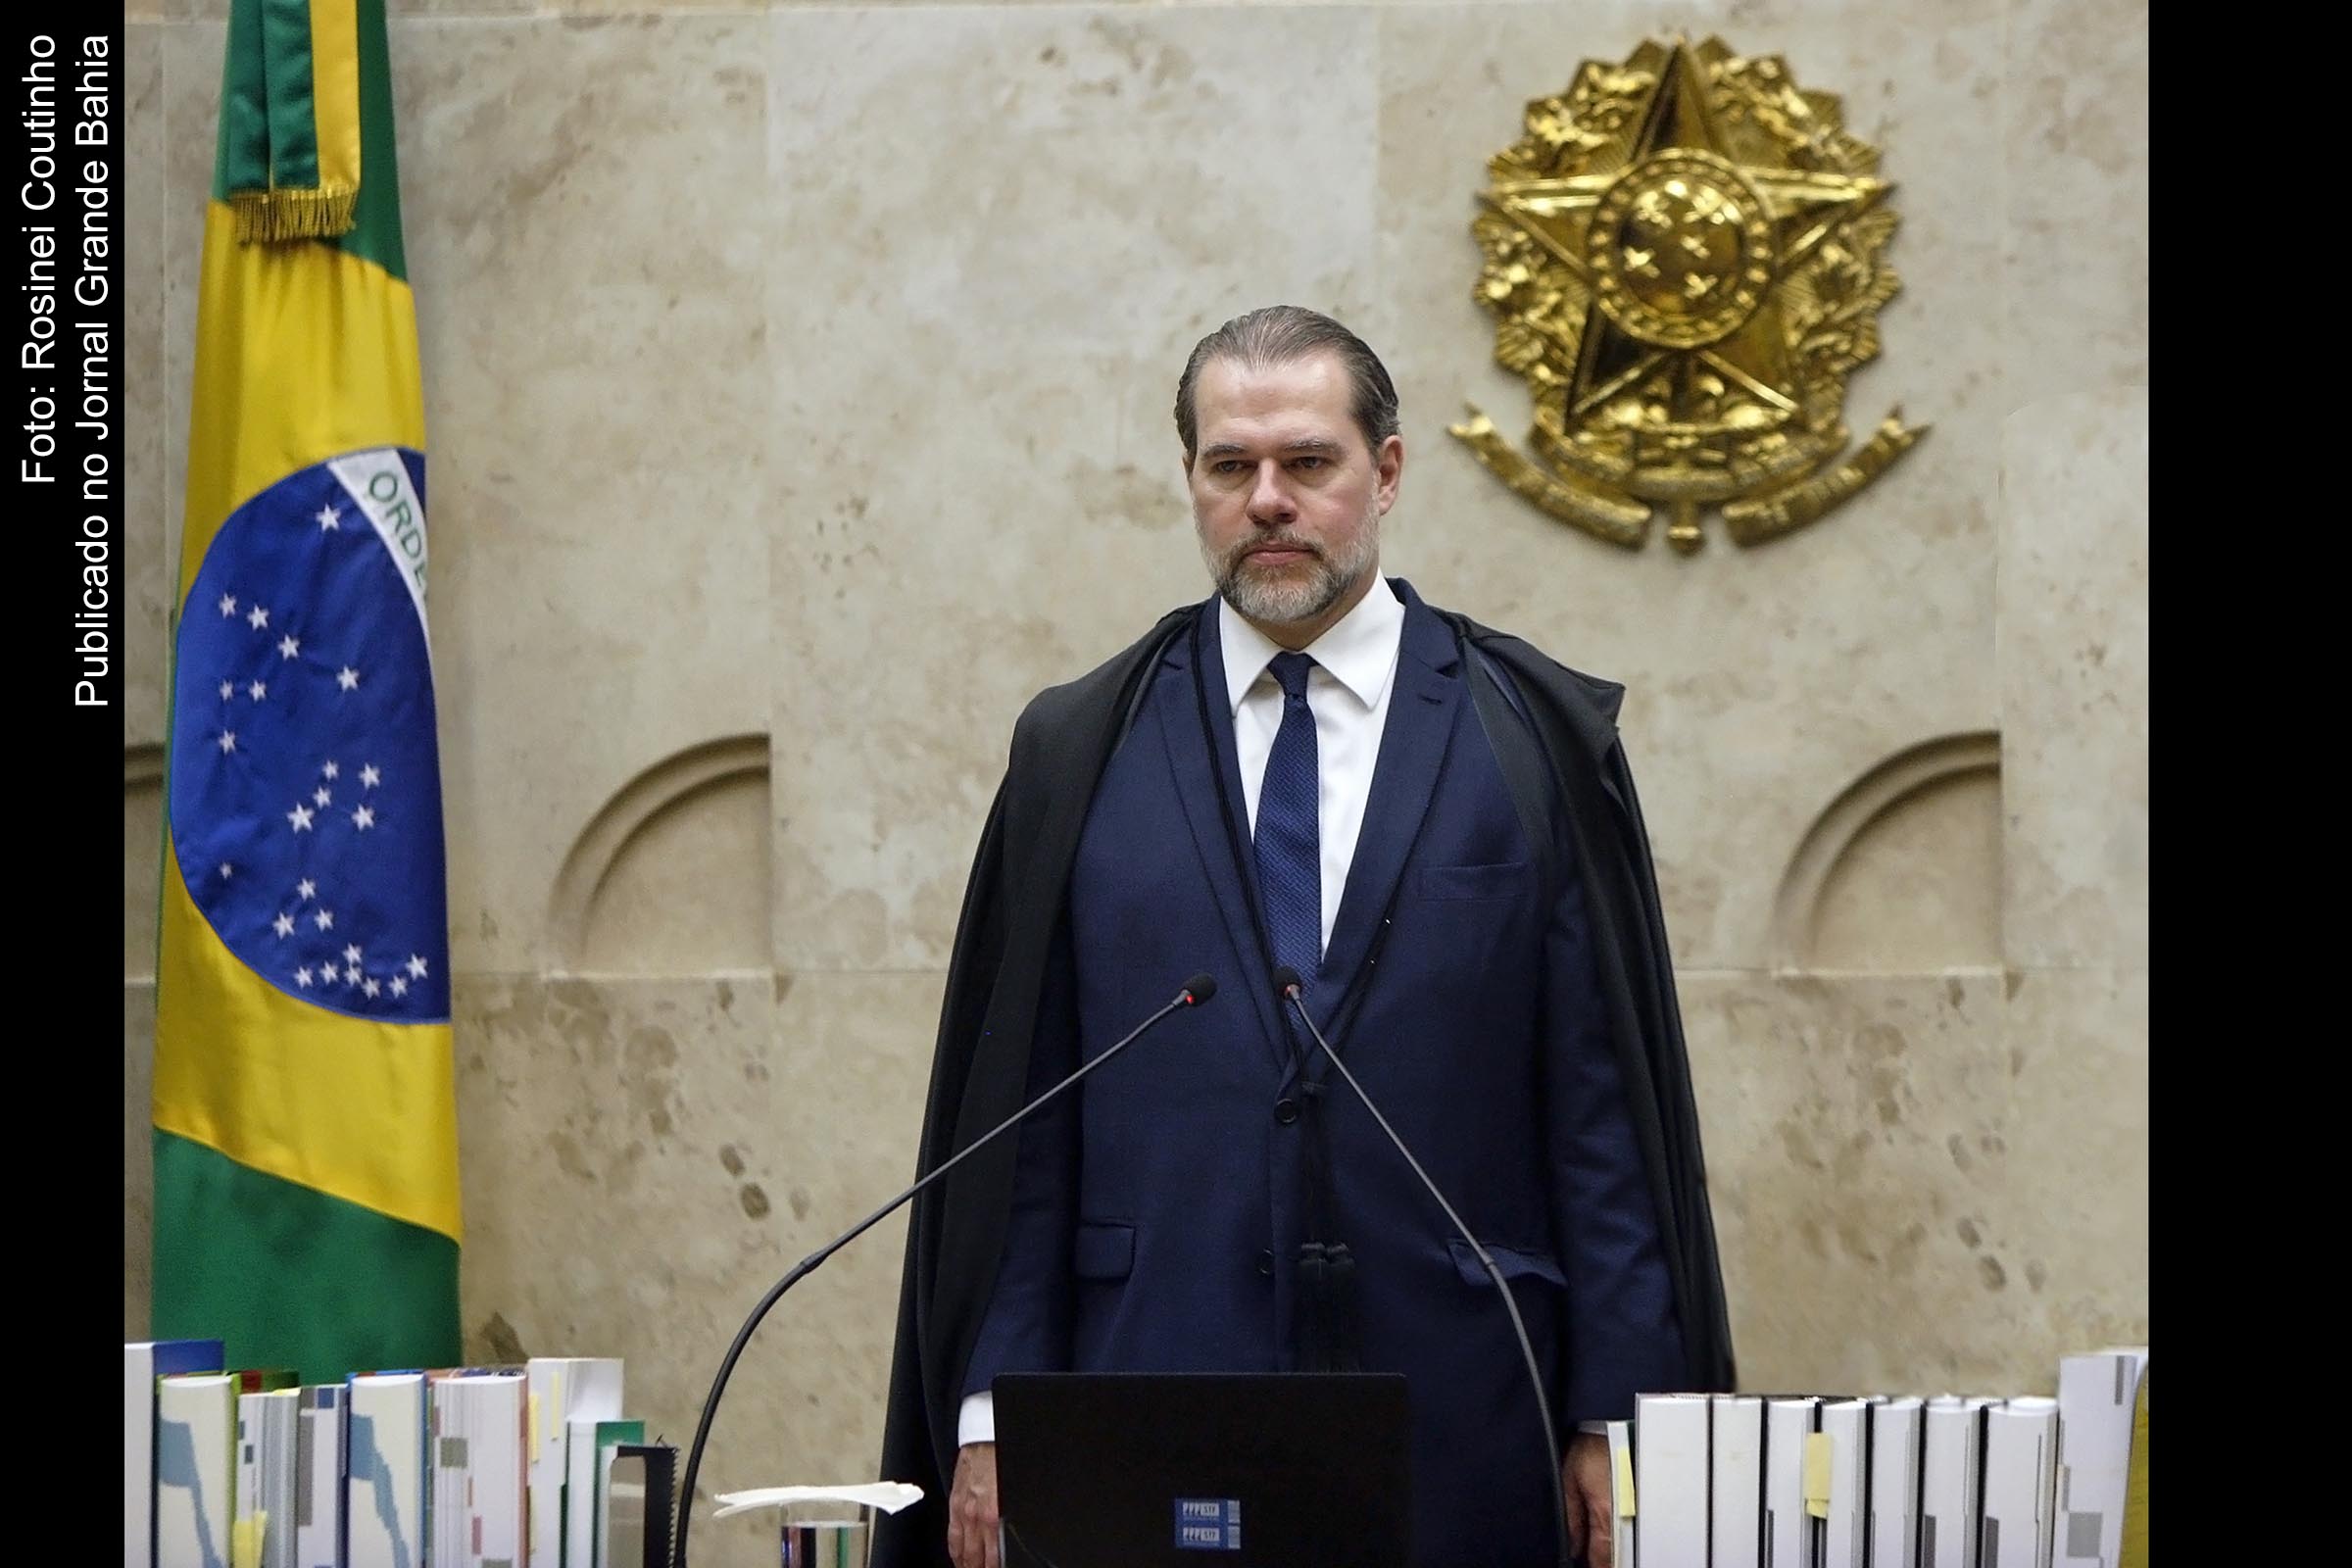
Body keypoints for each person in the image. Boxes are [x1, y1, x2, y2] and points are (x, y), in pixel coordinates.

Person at [872, 306, 1734, 1568]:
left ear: (1384, 473)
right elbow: (1021, 1130)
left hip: (1467, 1408)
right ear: (1193, 484)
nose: (1267, 500)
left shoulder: (1531, 738)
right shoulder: (1079, 748)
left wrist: (1619, 1415)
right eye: (1231, 467)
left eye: (1308, 463)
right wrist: (995, 1411)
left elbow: (1601, 1123)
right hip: (1145, 1400)